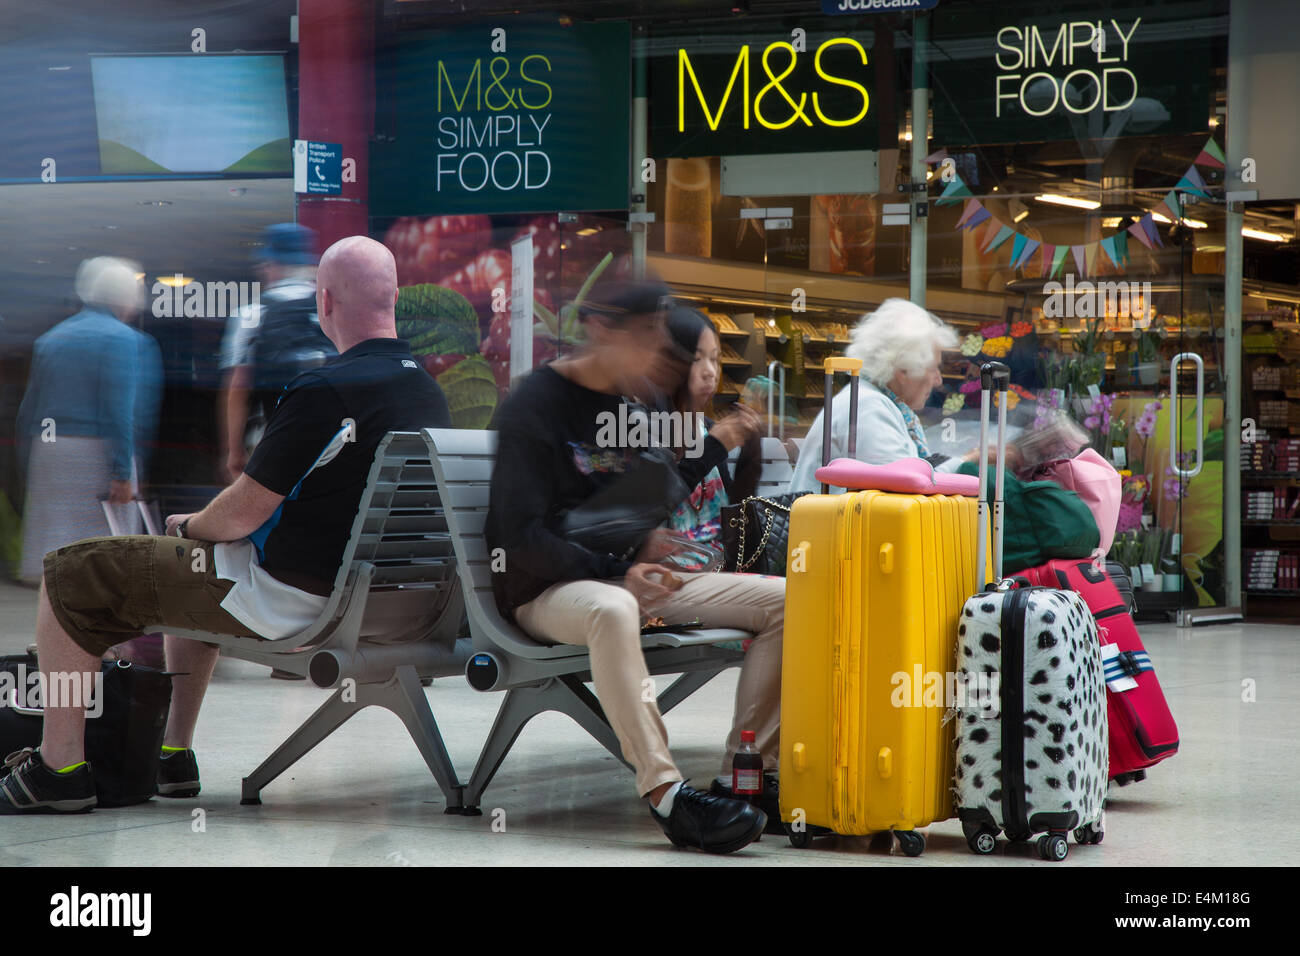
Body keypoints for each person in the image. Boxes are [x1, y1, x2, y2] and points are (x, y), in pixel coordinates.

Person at [0, 236, 452, 814]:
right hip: (397, 607)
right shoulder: (427, 391)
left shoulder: (327, 389)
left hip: (300, 602)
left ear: (327, 303)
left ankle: (59, 769)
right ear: (393, 299)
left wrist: (190, 526)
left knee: (69, 571)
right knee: (197, 563)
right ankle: (172, 756)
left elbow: (242, 512)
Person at [486, 278, 786, 854]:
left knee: (784, 601)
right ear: (601, 330)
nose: (660, 355)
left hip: (623, 577)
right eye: (650, 337)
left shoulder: (638, 401)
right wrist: (616, 566)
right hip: (546, 590)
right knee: (614, 605)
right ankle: (666, 793)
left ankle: (745, 776)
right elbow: (518, 538)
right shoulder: (535, 407)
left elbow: (638, 499)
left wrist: (644, 539)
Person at [15, 257, 162, 585]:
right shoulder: (123, 339)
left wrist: (30, 462)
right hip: (96, 455)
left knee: (54, 556)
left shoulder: (51, 338)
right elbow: (121, 412)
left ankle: (51, 633)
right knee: (106, 557)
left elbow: (30, 412)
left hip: (50, 450)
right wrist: (123, 471)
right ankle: (103, 634)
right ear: (123, 296)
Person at [789, 297, 961, 494]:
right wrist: (965, 464)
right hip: (832, 524)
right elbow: (904, 489)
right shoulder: (869, 408)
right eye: (933, 368)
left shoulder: (873, 401)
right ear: (904, 369)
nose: (938, 379)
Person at [219, 223, 334, 483]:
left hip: (272, 440)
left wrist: (233, 450)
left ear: (271, 265)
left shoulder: (252, 314)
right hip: (331, 440)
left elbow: (238, 387)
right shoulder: (328, 312)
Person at [656, 306, 760, 571]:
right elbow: (655, 506)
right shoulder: (647, 430)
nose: (710, 372)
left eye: (714, 359)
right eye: (697, 359)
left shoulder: (708, 429)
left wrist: (751, 457)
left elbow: (732, 520)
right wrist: (713, 448)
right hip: (669, 575)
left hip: (720, 572)